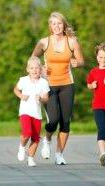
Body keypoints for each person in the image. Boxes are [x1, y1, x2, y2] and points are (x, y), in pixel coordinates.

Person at [32, 12, 84, 165]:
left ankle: (59, 154)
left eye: (59, 23)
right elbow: (32, 60)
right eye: (54, 24)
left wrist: (77, 63)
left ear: (64, 25)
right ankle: (47, 140)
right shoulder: (44, 42)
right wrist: (40, 68)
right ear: (50, 26)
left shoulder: (72, 42)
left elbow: (81, 61)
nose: (57, 26)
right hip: (48, 86)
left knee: (65, 122)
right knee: (53, 120)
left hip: (67, 84)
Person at [14, 56, 50, 167]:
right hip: (25, 111)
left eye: (37, 68)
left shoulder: (44, 82)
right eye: (32, 68)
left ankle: (30, 158)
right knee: (27, 133)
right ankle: (22, 146)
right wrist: (21, 95)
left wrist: (41, 99)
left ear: (40, 69)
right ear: (27, 69)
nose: (34, 70)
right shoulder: (23, 80)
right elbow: (16, 89)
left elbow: (46, 98)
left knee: (35, 138)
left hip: (37, 114)